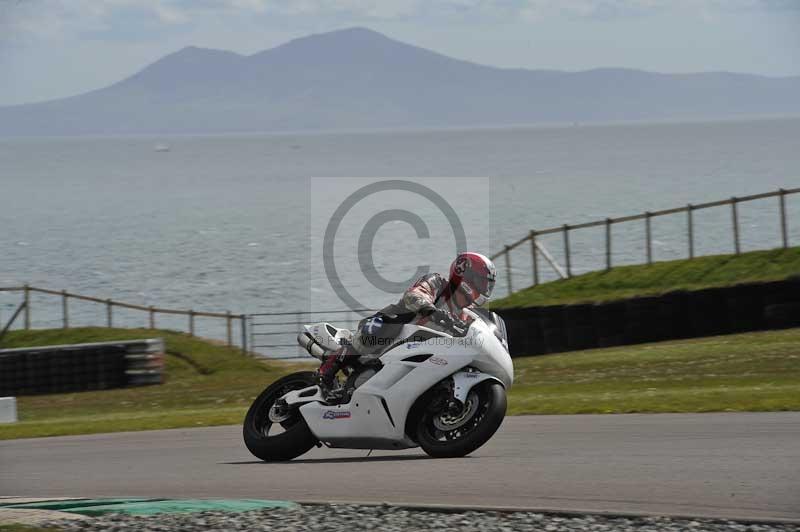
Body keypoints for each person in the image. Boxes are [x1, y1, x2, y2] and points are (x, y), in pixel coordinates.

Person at [316, 252, 497, 400]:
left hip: (420, 351)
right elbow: (413, 296)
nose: (483, 290)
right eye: (481, 282)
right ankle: (328, 369)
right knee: (384, 324)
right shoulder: (438, 283)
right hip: (393, 334)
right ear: (463, 274)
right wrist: (434, 312)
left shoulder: (466, 314)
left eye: (487, 286)